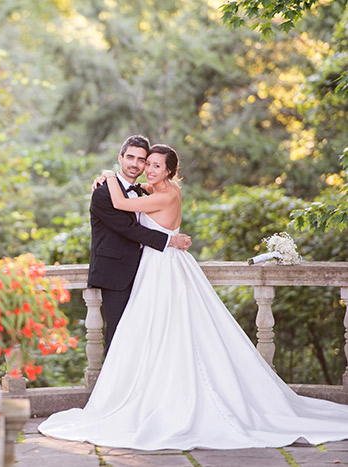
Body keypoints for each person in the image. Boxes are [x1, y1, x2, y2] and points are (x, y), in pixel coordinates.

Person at [38, 145, 348, 450]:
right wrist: (114, 181)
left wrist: (107, 174)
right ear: (124, 159)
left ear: (170, 171)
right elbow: (131, 195)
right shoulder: (154, 189)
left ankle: (168, 401)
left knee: (168, 331)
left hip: (161, 268)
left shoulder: (163, 193)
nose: (148, 168)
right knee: (148, 334)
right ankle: (148, 395)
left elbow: (122, 205)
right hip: (153, 265)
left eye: (155, 164)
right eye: (147, 163)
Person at [87, 135, 191, 353]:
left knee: (151, 334)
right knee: (118, 337)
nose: (136, 164)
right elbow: (128, 229)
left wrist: (109, 175)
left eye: (142, 160)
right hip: (115, 274)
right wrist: (170, 240)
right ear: (121, 158)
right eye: (130, 157)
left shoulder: (147, 190)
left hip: (148, 271)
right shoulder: (103, 193)